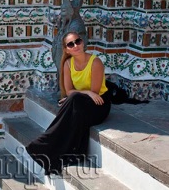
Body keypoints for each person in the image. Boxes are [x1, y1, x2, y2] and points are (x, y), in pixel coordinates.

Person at [26, 32, 112, 175]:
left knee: (73, 101)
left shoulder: (95, 62)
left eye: (78, 41)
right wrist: (81, 94)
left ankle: (43, 142)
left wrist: (81, 95)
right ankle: (52, 150)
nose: (75, 46)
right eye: (71, 44)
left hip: (99, 105)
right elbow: (69, 91)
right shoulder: (68, 63)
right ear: (66, 49)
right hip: (80, 103)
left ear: (83, 42)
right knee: (73, 101)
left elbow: (94, 94)